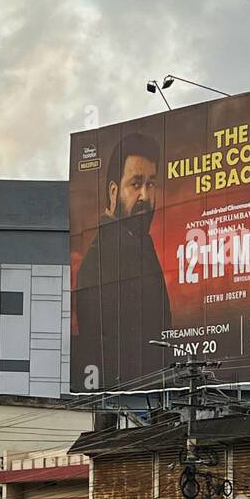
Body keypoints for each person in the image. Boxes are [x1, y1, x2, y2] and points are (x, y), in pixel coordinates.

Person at [73, 132, 170, 388]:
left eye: (151, 184)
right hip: (125, 398)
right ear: (114, 191)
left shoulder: (138, 244)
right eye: (136, 184)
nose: (145, 197)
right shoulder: (100, 260)